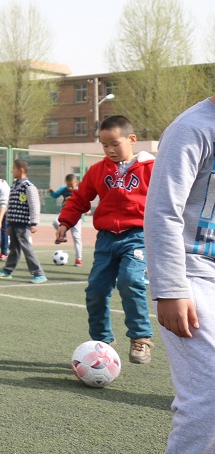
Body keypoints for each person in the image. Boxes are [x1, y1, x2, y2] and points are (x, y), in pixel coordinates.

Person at [145, 95, 215, 454]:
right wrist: (171, 287)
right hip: (193, 274)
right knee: (209, 396)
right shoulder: (193, 128)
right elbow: (162, 210)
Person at [57, 115, 155, 365]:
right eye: (104, 145)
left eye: (115, 143)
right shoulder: (98, 170)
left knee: (131, 280)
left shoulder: (151, 168)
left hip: (137, 237)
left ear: (132, 139)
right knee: (96, 290)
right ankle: (102, 342)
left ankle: (140, 337)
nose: (110, 150)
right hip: (106, 240)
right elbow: (80, 199)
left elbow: (169, 198)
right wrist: (65, 223)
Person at [0, 159, 46, 283]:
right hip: (14, 223)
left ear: (21, 170)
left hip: (23, 224)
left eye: (14, 169)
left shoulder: (29, 187)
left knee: (26, 248)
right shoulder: (14, 186)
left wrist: (34, 223)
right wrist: (8, 223)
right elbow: (10, 206)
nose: (12, 171)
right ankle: (8, 270)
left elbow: (34, 205)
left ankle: (39, 273)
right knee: (14, 248)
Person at [49, 173, 84, 265]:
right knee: (55, 222)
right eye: (68, 186)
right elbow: (55, 195)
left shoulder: (80, 190)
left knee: (76, 237)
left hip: (76, 217)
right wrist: (52, 193)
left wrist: (86, 209)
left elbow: (85, 200)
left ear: (76, 183)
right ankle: (63, 235)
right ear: (65, 183)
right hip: (65, 215)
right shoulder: (63, 189)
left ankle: (78, 259)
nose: (70, 188)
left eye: (72, 186)